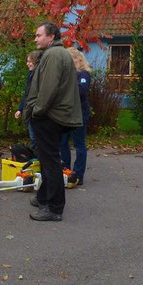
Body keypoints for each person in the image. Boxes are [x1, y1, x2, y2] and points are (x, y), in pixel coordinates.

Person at [23, 22, 82, 222]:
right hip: (54, 115)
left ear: (51, 36)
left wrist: (37, 112)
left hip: (50, 116)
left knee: (51, 163)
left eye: (39, 35)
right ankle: (43, 198)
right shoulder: (55, 54)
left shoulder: (54, 55)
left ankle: (54, 208)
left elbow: (48, 89)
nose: (35, 38)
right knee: (48, 160)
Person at [60, 47, 92, 187]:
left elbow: (82, 92)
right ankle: (65, 170)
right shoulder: (65, 75)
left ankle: (79, 174)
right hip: (65, 114)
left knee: (79, 144)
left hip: (79, 114)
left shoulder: (84, 74)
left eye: (69, 60)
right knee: (62, 142)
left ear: (77, 59)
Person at [14, 50, 42, 149]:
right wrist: (20, 109)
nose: (28, 64)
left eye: (30, 61)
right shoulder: (30, 75)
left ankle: (40, 159)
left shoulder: (40, 76)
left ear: (36, 62)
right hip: (29, 110)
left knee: (37, 138)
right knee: (33, 137)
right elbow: (27, 94)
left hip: (37, 111)